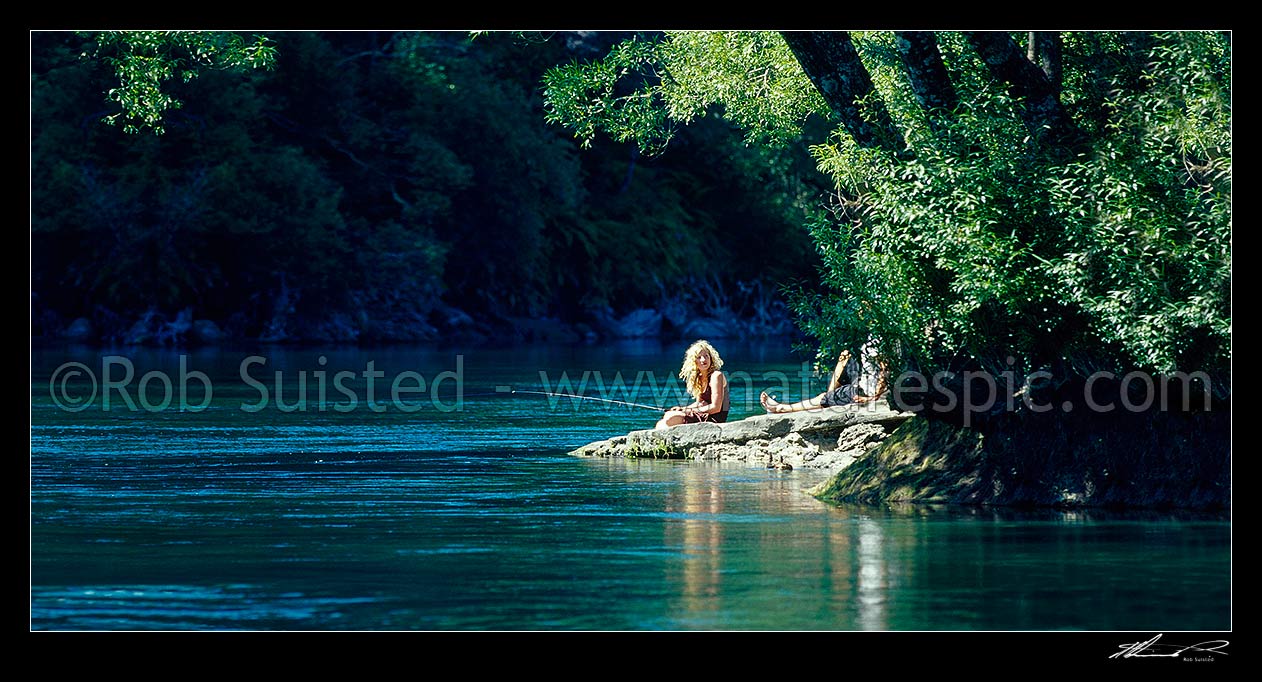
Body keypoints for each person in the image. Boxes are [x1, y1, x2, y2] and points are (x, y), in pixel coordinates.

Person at [760, 339, 888, 413]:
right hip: (865, 383)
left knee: (823, 398)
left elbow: (885, 368)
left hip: (869, 391)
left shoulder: (879, 338)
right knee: (846, 354)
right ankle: (829, 396)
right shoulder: (868, 335)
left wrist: (873, 397)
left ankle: (781, 408)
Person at [657, 340, 731, 429]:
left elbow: (716, 407)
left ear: (711, 358)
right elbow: (699, 403)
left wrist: (687, 411)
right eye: (699, 357)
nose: (703, 360)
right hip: (702, 413)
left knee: (671, 418)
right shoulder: (699, 377)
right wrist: (682, 408)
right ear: (694, 361)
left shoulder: (716, 376)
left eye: (706, 356)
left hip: (713, 418)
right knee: (663, 420)